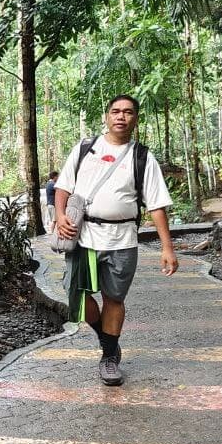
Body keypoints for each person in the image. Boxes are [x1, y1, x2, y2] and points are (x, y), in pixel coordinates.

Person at [54, 94, 178, 386]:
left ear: (136, 119)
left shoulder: (142, 157)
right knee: (76, 295)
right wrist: (60, 215)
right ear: (107, 116)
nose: (121, 116)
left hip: (122, 240)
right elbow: (63, 187)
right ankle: (106, 336)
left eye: (128, 112)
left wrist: (167, 248)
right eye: (115, 111)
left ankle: (109, 357)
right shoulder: (86, 148)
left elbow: (156, 205)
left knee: (114, 299)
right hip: (84, 237)